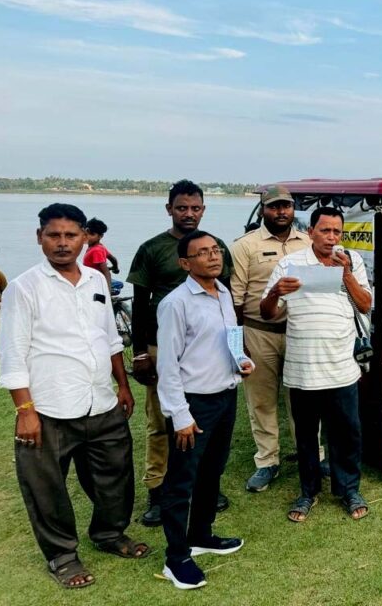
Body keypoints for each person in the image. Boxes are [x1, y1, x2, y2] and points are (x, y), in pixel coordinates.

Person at [0, 203, 147, 589]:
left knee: (115, 476)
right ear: (40, 238)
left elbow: (110, 338)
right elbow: (12, 353)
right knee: (46, 487)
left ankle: (109, 534)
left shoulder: (96, 281)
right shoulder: (23, 288)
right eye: (54, 235)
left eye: (70, 235)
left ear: (84, 237)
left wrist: (123, 385)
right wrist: (25, 410)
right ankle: (62, 556)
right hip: (49, 406)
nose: (62, 243)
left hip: (101, 401)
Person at [126, 179, 234, 526]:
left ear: (203, 210)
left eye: (195, 208)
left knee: (207, 423)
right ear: (169, 209)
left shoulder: (214, 246)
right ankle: (158, 490)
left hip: (207, 347)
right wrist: (140, 353)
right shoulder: (152, 248)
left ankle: (205, 485)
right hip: (162, 345)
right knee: (163, 422)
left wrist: (237, 352)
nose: (189, 214)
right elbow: (139, 304)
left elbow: (225, 297)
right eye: (182, 208)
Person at [260, 207, 372, 523]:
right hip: (303, 369)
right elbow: (267, 312)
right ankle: (308, 492)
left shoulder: (352, 260)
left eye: (337, 231)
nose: (332, 237)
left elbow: (365, 305)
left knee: (347, 433)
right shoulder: (290, 264)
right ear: (310, 232)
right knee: (306, 436)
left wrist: (346, 273)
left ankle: (348, 489)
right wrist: (275, 292)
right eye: (325, 231)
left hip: (341, 367)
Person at [155, 230, 253, 589]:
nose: (213, 257)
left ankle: (201, 535)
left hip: (225, 398)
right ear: (185, 263)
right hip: (193, 405)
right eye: (202, 253)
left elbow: (228, 341)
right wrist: (180, 415)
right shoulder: (176, 303)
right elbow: (168, 365)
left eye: (216, 250)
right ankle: (176, 557)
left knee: (212, 472)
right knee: (181, 481)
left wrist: (241, 362)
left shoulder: (223, 292)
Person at [230, 185, 311, 492]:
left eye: (286, 206)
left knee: (303, 398)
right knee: (261, 401)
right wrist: (239, 342)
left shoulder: (308, 242)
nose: (281, 212)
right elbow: (235, 298)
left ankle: (310, 456)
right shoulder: (245, 245)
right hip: (258, 332)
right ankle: (267, 462)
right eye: (274, 206)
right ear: (263, 210)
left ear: (293, 208)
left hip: (300, 332)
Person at [83, 218, 120, 291]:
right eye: (86, 234)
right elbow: (113, 259)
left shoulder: (96, 250)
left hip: (95, 281)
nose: (88, 237)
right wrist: (115, 268)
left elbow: (106, 272)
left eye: (92, 234)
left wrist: (107, 292)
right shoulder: (99, 246)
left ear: (101, 236)